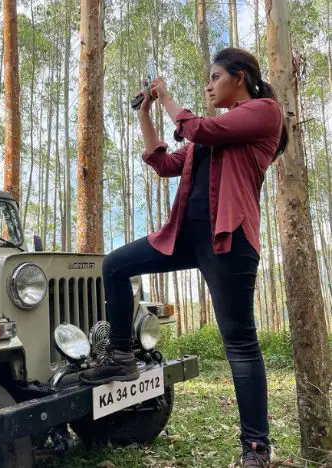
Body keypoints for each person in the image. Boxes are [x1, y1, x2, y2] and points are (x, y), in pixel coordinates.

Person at [80, 47, 288, 468]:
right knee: (115, 265)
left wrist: (168, 95)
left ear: (241, 77)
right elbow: (164, 162)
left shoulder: (265, 111)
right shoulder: (211, 131)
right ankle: (121, 357)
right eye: (208, 79)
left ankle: (255, 448)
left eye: (215, 77)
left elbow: (197, 129)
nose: (210, 85)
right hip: (184, 237)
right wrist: (145, 111)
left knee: (240, 344)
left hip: (228, 241)